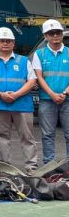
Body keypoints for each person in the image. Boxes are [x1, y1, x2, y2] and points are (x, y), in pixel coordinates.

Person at [0, 26, 38, 171]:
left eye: (8, 41)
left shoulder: (24, 61)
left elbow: (32, 81)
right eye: (1, 40)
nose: (5, 43)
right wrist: (1, 95)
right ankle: (4, 167)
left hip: (22, 105)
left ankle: (31, 167)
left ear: (13, 43)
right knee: (2, 136)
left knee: (27, 137)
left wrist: (16, 95)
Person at [35, 19, 69, 165]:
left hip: (67, 99)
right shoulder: (39, 54)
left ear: (62, 34)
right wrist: (52, 94)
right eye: (51, 33)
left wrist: (65, 93)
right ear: (45, 36)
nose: (55, 35)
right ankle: (49, 165)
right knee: (48, 134)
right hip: (47, 100)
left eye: (58, 32)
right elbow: (39, 77)